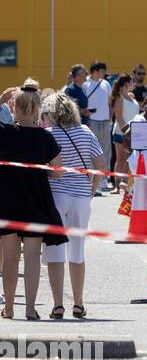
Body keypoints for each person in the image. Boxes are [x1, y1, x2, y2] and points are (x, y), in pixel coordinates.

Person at [0, 85, 66, 320]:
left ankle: (8, 308)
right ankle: (30, 308)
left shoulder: (4, 133)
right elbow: (58, 173)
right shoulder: (45, 137)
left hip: (7, 201)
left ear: (14, 108)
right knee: (31, 257)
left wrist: (2, 99)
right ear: (38, 109)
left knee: (9, 258)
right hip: (36, 201)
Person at [41, 92, 104, 319]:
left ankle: (58, 305)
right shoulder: (86, 132)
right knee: (77, 250)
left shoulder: (47, 134)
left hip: (55, 196)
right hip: (80, 197)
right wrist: (91, 190)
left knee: (54, 250)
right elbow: (100, 165)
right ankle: (78, 303)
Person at [82, 61, 113, 189]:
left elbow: (110, 102)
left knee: (106, 151)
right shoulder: (85, 84)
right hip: (91, 121)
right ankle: (91, 179)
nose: (104, 73)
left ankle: (104, 179)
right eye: (102, 70)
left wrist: (110, 118)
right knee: (91, 151)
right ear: (95, 71)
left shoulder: (105, 84)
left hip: (105, 121)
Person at [108, 72, 137, 189]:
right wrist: (127, 132)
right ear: (126, 84)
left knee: (129, 159)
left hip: (133, 132)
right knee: (121, 159)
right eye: (132, 82)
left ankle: (125, 183)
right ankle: (117, 185)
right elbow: (119, 118)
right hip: (121, 132)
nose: (134, 84)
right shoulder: (119, 98)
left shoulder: (132, 96)